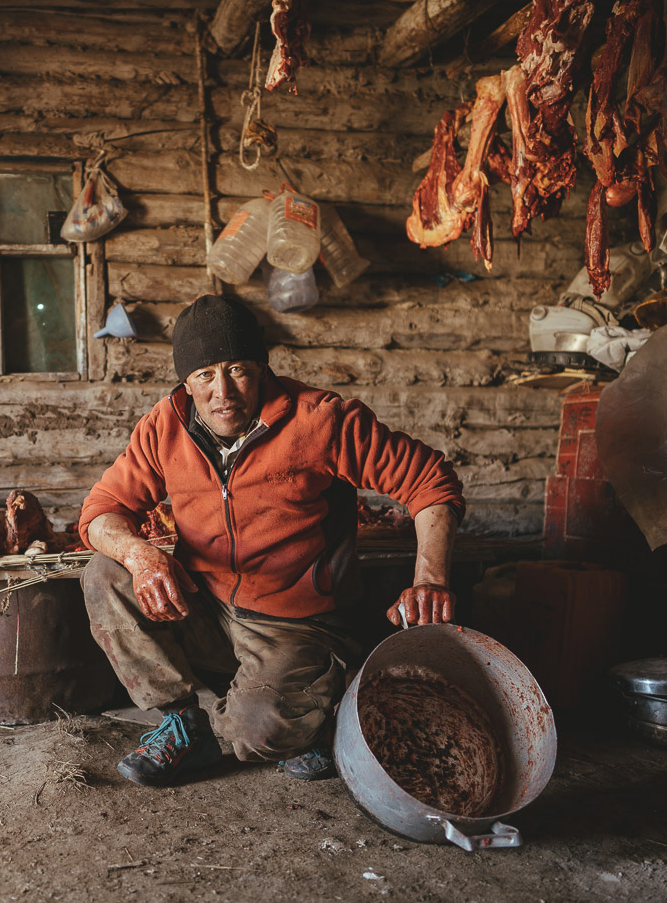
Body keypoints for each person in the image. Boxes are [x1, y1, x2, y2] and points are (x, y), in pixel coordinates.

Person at [79, 295, 464, 787]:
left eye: (237, 370)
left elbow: (431, 481)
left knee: (254, 733)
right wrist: (140, 554)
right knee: (106, 573)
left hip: (298, 624)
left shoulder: (320, 421)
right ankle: (183, 721)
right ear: (186, 382)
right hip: (207, 607)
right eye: (204, 376)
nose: (223, 393)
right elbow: (100, 512)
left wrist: (429, 579)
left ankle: (328, 699)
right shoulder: (166, 425)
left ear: (262, 368)